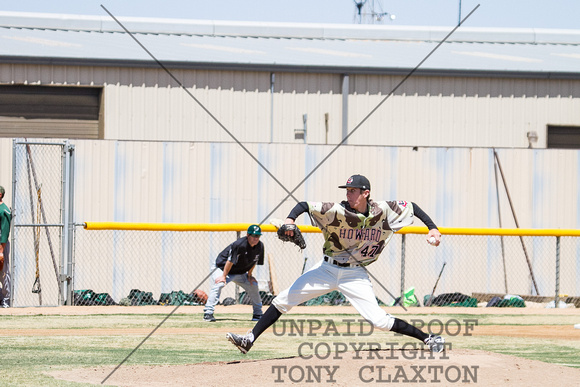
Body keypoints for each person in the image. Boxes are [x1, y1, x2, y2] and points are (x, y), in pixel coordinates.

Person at [226, 175, 445, 353]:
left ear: (365, 193)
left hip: (355, 274)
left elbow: (413, 207)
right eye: (347, 191)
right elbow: (304, 205)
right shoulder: (336, 210)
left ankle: (428, 339)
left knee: (379, 320)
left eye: (353, 191)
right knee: (283, 299)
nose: (348, 194)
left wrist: (432, 228)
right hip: (327, 269)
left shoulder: (383, 209)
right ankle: (249, 339)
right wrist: (290, 221)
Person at [203, 224, 265, 322]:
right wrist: (223, 276)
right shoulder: (239, 244)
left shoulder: (260, 246)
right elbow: (230, 261)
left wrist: (249, 275)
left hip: (240, 272)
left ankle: (258, 314)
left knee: (254, 285)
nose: (256, 238)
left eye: (258, 236)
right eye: (254, 236)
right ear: (248, 235)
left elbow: (254, 262)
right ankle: (208, 313)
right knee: (219, 284)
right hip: (222, 268)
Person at [0, 185, 12, 308]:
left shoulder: (4, 210)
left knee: (3, 272)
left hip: (0, 244)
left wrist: (1, 251)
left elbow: (4, 231)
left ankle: (6, 299)